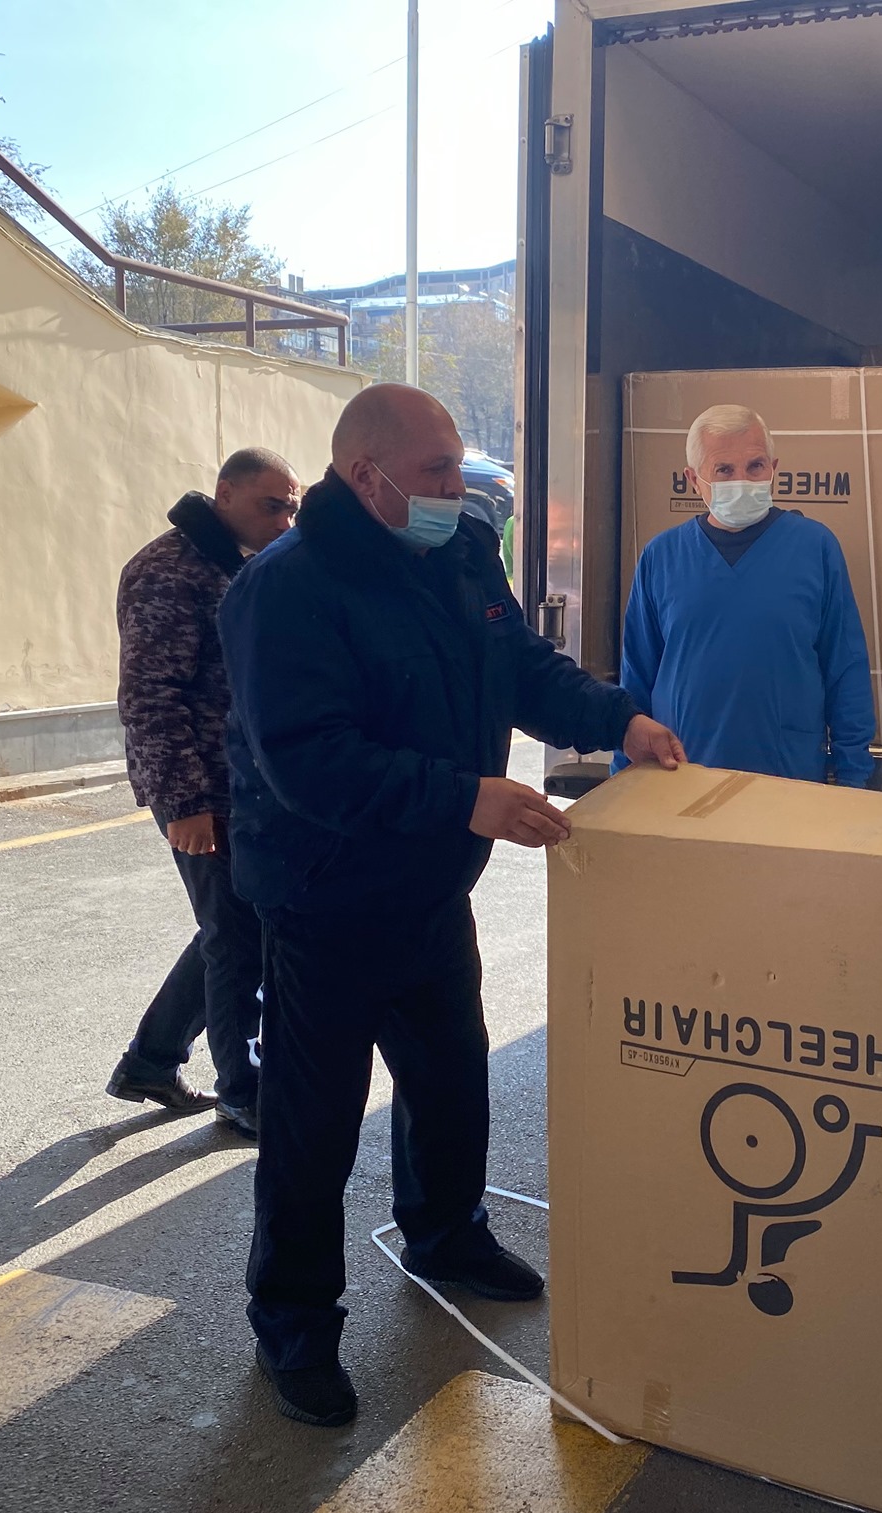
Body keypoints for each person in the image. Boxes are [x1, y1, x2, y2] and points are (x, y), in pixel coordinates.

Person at [220, 384, 686, 1428]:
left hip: (430, 887)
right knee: (313, 1126)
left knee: (449, 1078)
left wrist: (619, 720)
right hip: (325, 899)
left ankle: (445, 1234)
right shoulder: (285, 589)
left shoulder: (461, 552)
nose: (453, 487)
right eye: (433, 471)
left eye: (455, 465)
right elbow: (310, 761)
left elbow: (519, 668)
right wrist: (464, 798)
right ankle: (294, 1322)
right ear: (364, 476)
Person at [107, 447, 301, 1138]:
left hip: (244, 783)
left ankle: (151, 1061)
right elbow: (149, 697)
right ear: (225, 494)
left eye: (292, 508)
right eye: (271, 506)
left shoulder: (240, 563)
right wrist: (186, 803)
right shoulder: (168, 571)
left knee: (234, 926)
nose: (284, 521)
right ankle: (242, 1091)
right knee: (237, 937)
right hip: (200, 788)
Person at [617, 403, 875, 787]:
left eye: (755, 466)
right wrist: (622, 778)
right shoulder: (662, 557)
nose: (742, 480)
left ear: (774, 468)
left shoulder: (815, 548)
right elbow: (636, 678)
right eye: (724, 470)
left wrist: (854, 777)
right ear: (693, 479)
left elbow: (845, 669)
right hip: (680, 777)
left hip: (787, 778)